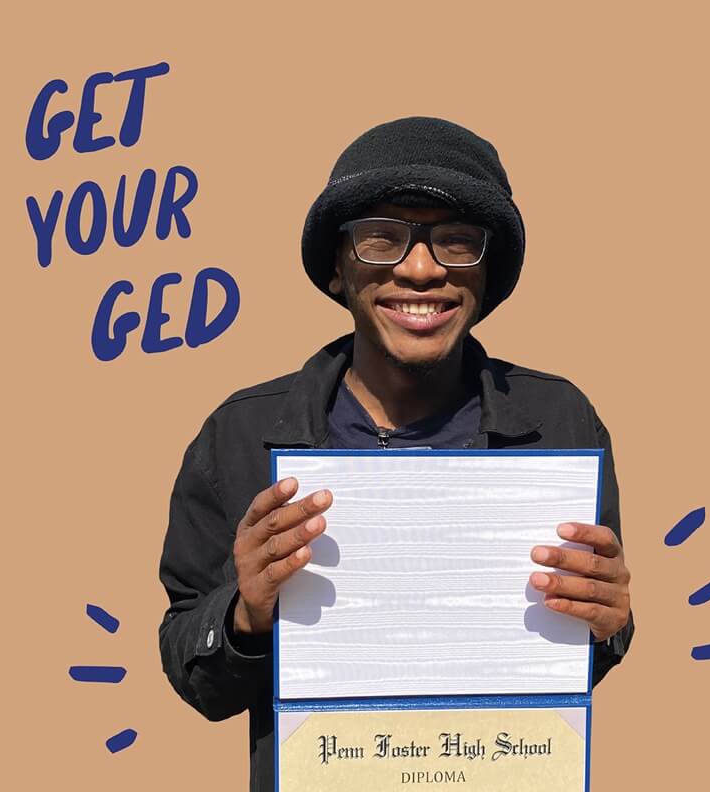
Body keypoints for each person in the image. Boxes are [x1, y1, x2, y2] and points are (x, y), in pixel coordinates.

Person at [158, 116, 634, 792]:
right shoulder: (240, 436)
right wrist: (244, 615)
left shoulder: (561, 424)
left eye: (457, 241)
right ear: (335, 267)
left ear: (488, 270)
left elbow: (578, 655)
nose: (420, 269)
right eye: (381, 238)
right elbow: (193, 672)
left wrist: (609, 624)